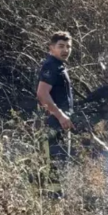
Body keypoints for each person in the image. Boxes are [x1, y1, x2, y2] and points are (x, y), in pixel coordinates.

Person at [37, 31, 75, 165]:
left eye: (68, 46)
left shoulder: (59, 65)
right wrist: (60, 116)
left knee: (62, 164)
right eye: (61, 46)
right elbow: (42, 94)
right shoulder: (51, 66)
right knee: (56, 166)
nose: (65, 50)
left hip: (61, 123)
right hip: (53, 123)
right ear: (51, 47)